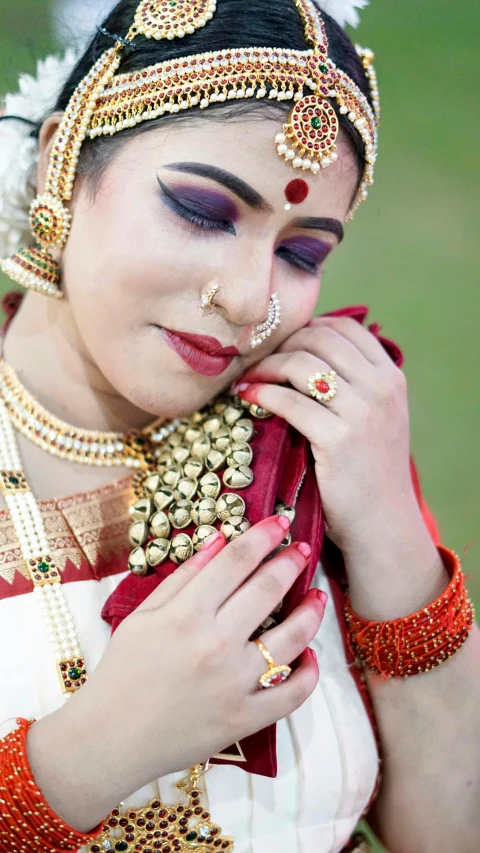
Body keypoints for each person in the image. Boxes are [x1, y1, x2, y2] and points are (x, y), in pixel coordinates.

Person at [0, 2, 478, 852]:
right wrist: (79, 762)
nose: (252, 299)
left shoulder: (313, 443)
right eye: (202, 209)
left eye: (302, 254)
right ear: (60, 162)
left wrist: (393, 539)